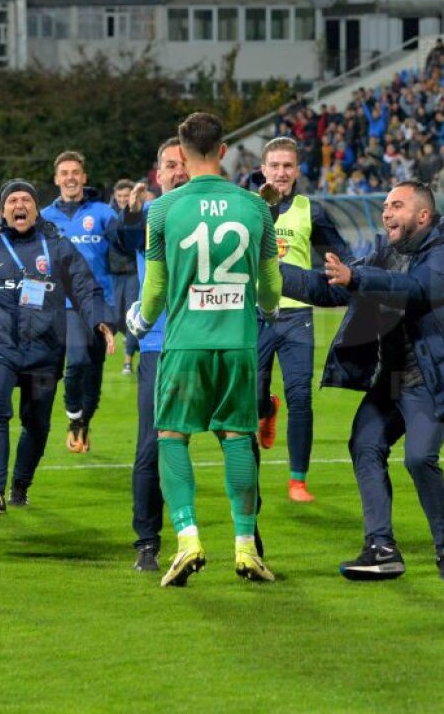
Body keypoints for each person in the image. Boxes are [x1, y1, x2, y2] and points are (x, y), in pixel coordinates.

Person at [280, 181, 444, 582]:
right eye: (385, 206)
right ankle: (382, 547)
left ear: (422, 215)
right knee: (365, 444)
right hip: (393, 377)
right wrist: (271, 271)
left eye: (396, 206)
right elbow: (331, 287)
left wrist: (358, 279)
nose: (386, 214)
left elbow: (420, 290)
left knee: (420, 459)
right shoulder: (387, 252)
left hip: (432, 376)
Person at [127, 112, 281, 587]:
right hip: (237, 344)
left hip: (185, 345)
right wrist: (265, 310)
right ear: (223, 151)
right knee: (238, 437)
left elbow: (154, 293)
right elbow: (271, 290)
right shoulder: (255, 208)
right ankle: (244, 546)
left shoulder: (162, 211)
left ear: (182, 149)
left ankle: (188, 538)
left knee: (172, 436)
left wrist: (138, 321)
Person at [0, 180, 112, 513]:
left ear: (36, 208)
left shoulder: (57, 246)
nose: (19, 204)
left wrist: (101, 321)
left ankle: (21, 485)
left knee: (36, 421)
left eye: (26, 199)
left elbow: (86, 288)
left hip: (45, 349)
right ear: (4, 210)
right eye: (12, 200)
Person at [254, 136, 352, 503]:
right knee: (251, 397)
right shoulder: (247, 206)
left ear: (297, 171)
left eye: (287, 166)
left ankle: (298, 481)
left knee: (301, 397)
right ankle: (266, 409)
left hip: (297, 315)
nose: (281, 172)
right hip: (256, 314)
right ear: (263, 169)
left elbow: (338, 255)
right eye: (275, 166)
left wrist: (346, 274)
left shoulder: (312, 210)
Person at [112, 138, 189, 572]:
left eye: (182, 164)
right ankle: (148, 542)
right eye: (168, 165)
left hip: (210, 340)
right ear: (156, 174)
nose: (176, 171)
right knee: (152, 444)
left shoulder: (208, 212)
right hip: (160, 345)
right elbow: (121, 241)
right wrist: (131, 212)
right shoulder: (148, 217)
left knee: (237, 437)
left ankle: (248, 540)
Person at [41, 152, 118, 453]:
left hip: (101, 302)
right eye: (64, 173)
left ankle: (84, 421)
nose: (70, 177)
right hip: (66, 304)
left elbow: (125, 246)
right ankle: (74, 415)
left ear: (84, 178)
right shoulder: (44, 217)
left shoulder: (102, 213)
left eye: (76, 172)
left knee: (94, 369)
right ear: (56, 179)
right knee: (76, 362)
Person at [107, 179, 141, 375]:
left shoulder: (139, 213)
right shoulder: (108, 215)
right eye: (119, 196)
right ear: (114, 195)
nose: (122, 200)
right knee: (118, 317)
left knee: (131, 315)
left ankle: (127, 360)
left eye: (125, 196)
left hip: (133, 272)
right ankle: (132, 342)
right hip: (114, 272)